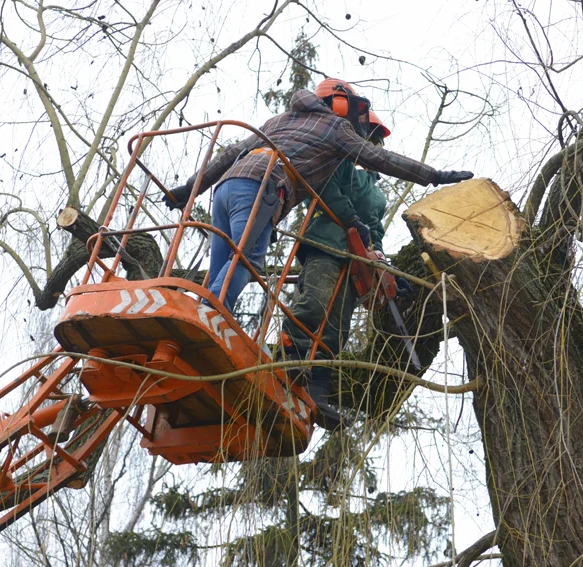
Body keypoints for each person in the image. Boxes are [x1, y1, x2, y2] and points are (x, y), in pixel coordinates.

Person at [163, 78, 473, 312]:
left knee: (222, 266)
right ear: (339, 104)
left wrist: (191, 188)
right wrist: (435, 176)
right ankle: (207, 317)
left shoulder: (278, 120)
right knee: (246, 262)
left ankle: (198, 311)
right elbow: (381, 159)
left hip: (226, 188)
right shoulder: (335, 127)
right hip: (263, 189)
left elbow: (231, 152)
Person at [280, 111, 402, 430]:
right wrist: (351, 220)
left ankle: (317, 391)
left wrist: (379, 260)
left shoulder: (377, 195)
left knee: (337, 327)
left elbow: (374, 231)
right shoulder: (338, 162)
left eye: (378, 144)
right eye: (370, 141)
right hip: (325, 242)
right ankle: (288, 357)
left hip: (355, 263)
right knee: (315, 302)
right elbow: (326, 191)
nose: (374, 148)